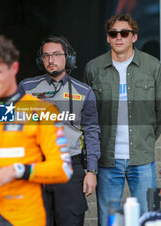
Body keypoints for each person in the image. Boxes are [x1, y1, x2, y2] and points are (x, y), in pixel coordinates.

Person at [0, 33, 73, 226]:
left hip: (27, 218)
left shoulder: (41, 110)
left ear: (14, 68)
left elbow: (63, 169)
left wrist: (17, 170)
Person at [84, 14, 161, 226]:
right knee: (108, 220)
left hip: (141, 158)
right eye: (113, 34)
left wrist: (146, 139)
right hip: (107, 160)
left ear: (134, 37)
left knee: (148, 218)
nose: (119, 37)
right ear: (108, 38)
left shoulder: (152, 66)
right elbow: (88, 114)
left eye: (124, 33)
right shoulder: (93, 68)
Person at [18, 35, 100, 226]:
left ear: (69, 58)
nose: (50, 60)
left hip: (71, 168)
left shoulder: (84, 91)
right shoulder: (27, 88)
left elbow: (91, 131)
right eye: (46, 56)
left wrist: (92, 171)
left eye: (56, 54)